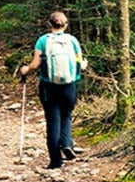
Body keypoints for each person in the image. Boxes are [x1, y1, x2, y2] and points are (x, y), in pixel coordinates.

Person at [19, 11, 86, 170]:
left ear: (50, 24)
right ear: (65, 25)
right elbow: (80, 63)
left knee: (53, 120)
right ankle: (67, 143)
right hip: (69, 86)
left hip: (48, 87)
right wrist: (85, 64)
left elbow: (35, 65)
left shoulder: (43, 41)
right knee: (66, 116)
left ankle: (55, 161)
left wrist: (25, 69)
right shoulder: (72, 40)